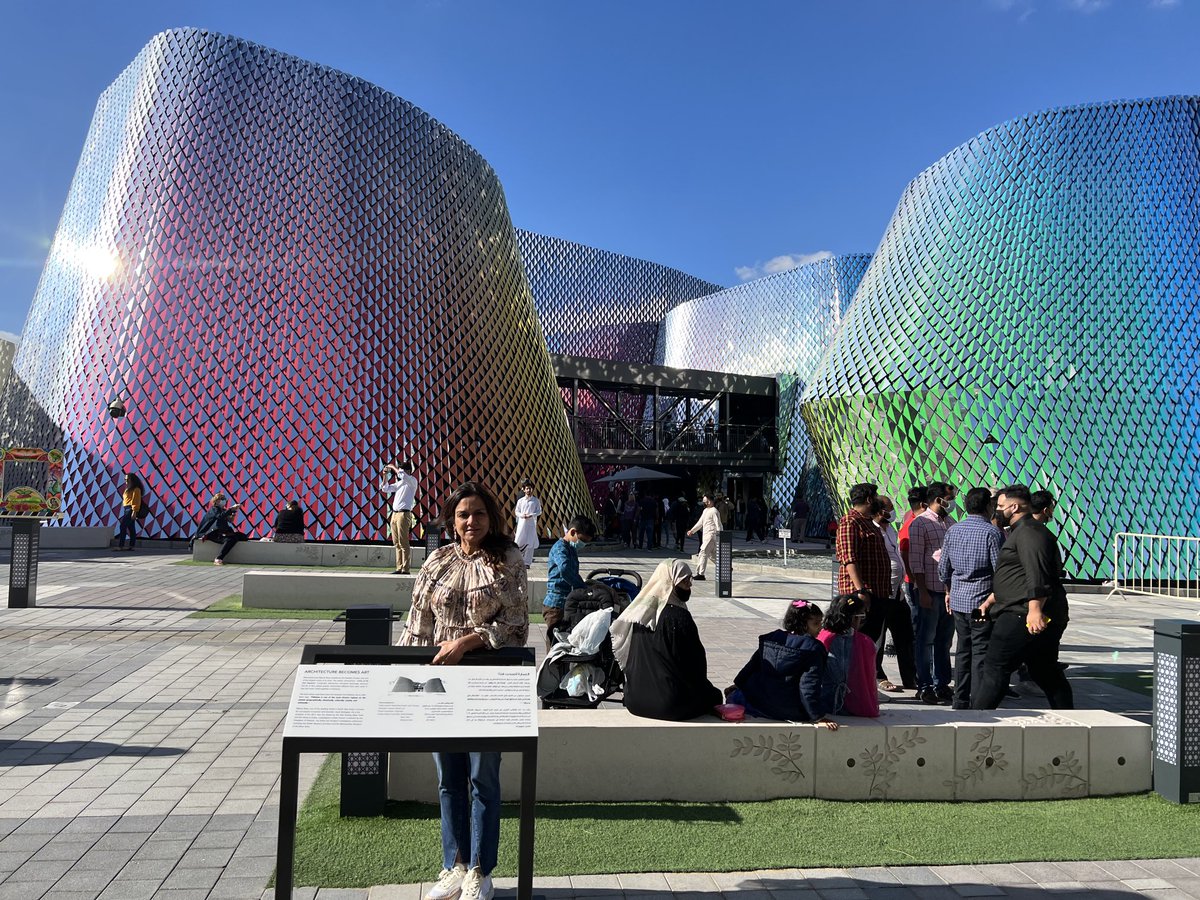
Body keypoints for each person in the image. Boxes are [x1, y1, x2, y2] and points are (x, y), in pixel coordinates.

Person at [397, 482, 528, 900]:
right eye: (463, 515)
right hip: (439, 685)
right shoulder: (437, 560)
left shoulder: (507, 559)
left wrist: (466, 642)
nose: (472, 521)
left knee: (482, 777)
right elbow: (417, 623)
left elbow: (517, 624)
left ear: (493, 518)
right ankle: (453, 863)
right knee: (448, 779)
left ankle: (480, 870)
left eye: (480, 514)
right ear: (451, 520)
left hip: (486, 684)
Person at [972, 485, 1074, 710]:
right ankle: (1067, 715)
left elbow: (1037, 572)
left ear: (1014, 506)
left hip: (1021, 613)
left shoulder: (1029, 532)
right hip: (1023, 609)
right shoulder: (1024, 531)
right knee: (1043, 669)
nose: (996, 510)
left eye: (999, 506)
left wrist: (1035, 610)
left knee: (995, 667)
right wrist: (991, 599)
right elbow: (1016, 574)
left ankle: (975, 722)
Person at [611, 559, 722, 720]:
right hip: (669, 704)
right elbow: (694, 666)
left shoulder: (640, 613)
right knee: (715, 697)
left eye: (690, 579)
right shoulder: (679, 617)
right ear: (670, 583)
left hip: (634, 700)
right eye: (684, 581)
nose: (689, 585)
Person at [938, 487, 1005, 709]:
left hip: (958, 600)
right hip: (982, 603)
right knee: (980, 651)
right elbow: (1000, 570)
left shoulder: (953, 530)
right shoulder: (992, 533)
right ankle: (978, 701)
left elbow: (943, 569)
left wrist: (949, 590)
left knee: (963, 650)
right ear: (989, 506)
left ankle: (959, 699)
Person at [728, 599, 839, 728]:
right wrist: (818, 716)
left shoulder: (772, 638)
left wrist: (737, 684)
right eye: (816, 623)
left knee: (736, 697)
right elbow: (808, 686)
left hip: (760, 703)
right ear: (802, 624)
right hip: (790, 711)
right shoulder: (814, 648)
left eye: (821, 622)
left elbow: (752, 666)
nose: (820, 627)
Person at [908, 482, 957, 704]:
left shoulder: (951, 523)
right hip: (929, 589)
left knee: (944, 640)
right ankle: (925, 685)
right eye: (951, 497)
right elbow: (916, 560)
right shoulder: (920, 523)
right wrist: (923, 591)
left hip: (949, 592)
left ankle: (942, 683)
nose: (953, 501)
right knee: (925, 640)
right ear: (939, 499)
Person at [861, 496, 916, 691]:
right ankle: (878, 676)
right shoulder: (871, 530)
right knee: (878, 638)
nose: (893, 512)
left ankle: (911, 678)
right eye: (890, 508)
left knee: (905, 636)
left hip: (897, 594)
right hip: (880, 593)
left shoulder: (890, 529)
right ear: (879, 510)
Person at [817, 593, 880, 718]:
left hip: (822, 702)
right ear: (853, 618)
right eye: (861, 616)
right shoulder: (864, 642)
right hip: (850, 704)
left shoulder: (823, 636)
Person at [542, 516, 596, 649]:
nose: (582, 544)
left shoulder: (571, 549)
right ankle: (551, 669)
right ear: (572, 532)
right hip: (556, 605)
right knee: (555, 646)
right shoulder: (560, 548)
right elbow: (565, 569)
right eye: (582, 540)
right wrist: (582, 586)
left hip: (567, 602)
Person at [834, 483, 890, 604]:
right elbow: (849, 559)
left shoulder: (868, 521)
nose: (878, 501)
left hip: (877, 591)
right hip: (859, 595)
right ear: (869, 500)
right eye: (876, 497)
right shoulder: (850, 522)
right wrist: (861, 590)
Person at [381, 460, 419, 575]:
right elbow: (385, 488)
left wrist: (393, 467)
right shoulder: (400, 483)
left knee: (403, 542)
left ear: (407, 471)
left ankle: (405, 569)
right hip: (395, 514)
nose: (400, 473)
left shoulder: (412, 481)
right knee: (396, 542)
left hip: (404, 514)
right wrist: (385, 475)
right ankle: (399, 567)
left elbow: (401, 474)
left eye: (402, 471)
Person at [191, 493, 248, 565]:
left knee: (242, 536)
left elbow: (230, 520)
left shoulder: (222, 510)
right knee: (230, 539)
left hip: (222, 532)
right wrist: (231, 509)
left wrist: (233, 512)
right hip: (213, 533)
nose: (224, 501)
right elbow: (219, 516)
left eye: (224, 499)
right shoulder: (214, 509)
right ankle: (219, 558)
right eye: (222, 499)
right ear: (217, 501)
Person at [686, 494, 722, 581]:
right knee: (712, 556)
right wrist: (692, 530)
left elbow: (718, 525)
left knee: (703, 553)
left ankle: (700, 574)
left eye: (705, 501)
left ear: (709, 501)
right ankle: (726, 567)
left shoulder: (714, 511)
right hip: (706, 536)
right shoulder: (705, 511)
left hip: (711, 536)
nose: (704, 503)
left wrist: (720, 536)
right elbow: (700, 522)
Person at [513, 480, 542, 567]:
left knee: (530, 543)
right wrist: (522, 515)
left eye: (530, 488)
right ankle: (518, 559)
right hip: (522, 523)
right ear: (523, 490)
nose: (529, 490)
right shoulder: (520, 501)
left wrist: (531, 515)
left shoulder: (536, 501)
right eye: (527, 489)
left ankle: (527, 562)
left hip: (531, 524)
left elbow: (539, 511)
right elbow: (516, 511)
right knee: (519, 541)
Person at [115, 472, 144, 551]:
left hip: (130, 509)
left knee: (123, 526)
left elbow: (136, 501)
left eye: (127, 479)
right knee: (131, 528)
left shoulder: (136, 489)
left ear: (132, 480)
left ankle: (121, 546)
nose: (126, 481)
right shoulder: (128, 488)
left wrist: (134, 511)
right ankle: (132, 545)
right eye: (125, 479)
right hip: (126, 509)